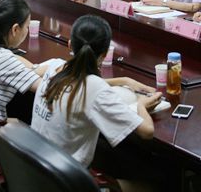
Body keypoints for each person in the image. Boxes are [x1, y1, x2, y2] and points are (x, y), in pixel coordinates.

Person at [31, 15, 163, 181]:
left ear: (70, 44)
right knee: (154, 181)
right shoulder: (95, 88)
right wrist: (141, 106)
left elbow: (80, 85)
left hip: (38, 169)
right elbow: (147, 132)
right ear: (106, 54)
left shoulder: (55, 66)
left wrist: (124, 81)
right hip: (68, 180)